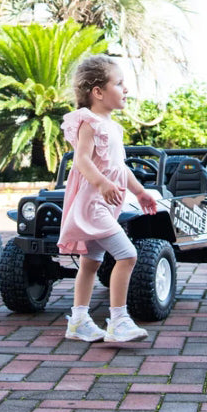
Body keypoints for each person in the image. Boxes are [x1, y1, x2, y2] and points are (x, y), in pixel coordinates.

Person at [57, 55, 159, 344]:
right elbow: (81, 160)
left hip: (103, 206)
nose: (126, 89)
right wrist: (101, 183)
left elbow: (119, 168)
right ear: (98, 92)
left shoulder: (112, 126)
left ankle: (78, 321)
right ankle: (119, 320)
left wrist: (139, 192)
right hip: (93, 207)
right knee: (128, 255)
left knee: (90, 262)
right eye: (119, 83)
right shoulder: (89, 123)